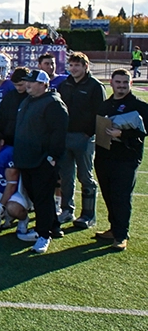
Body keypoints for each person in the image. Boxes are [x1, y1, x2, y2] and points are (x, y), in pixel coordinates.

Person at [13, 69, 69, 255]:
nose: (27, 84)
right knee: (37, 197)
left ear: (43, 84)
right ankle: (53, 226)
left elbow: (59, 134)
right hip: (27, 159)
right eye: (26, 81)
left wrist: (51, 158)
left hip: (41, 161)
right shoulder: (30, 99)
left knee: (43, 199)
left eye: (32, 82)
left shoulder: (53, 103)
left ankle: (43, 235)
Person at [94, 69, 148, 251]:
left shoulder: (139, 106)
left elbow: (143, 131)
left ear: (130, 84)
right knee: (108, 195)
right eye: (118, 82)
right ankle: (114, 228)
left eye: (125, 83)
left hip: (126, 159)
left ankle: (121, 235)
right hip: (104, 157)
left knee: (121, 197)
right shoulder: (105, 105)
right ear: (112, 83)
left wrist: (122, 134)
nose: (122, 86)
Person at [56, 52, 105, 228]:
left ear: (86, 66)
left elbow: (100, 113)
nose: (74, 68)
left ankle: (88, 214)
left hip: (84, 138)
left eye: (78, 65)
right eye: (72, 65)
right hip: (65, 137)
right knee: (66, 176)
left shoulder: (95, 86)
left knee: (85, 176)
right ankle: (67, 210)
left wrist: (88, 133)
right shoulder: (65, 84)